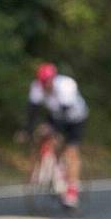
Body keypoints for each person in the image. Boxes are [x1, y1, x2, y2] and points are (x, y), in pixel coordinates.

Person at [24, 63, 89, 208]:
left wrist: (55, 131)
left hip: (75, 118)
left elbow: (65, 113)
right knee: (46, 138)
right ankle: (53, 173)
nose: (45, 86)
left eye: (48, 82)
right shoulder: (37, 87)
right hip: (56, 115)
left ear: (54, 79)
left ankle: (72, 190)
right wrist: (27, 131)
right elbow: (31, 112)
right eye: (43, 83)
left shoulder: (66, 85)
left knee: (71, 151)